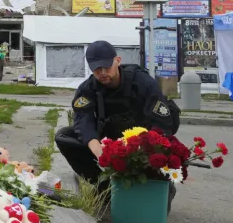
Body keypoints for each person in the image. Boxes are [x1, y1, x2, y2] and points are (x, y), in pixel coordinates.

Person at [54, 41, 181, 206]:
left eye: (107, 67)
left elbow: (161, 123)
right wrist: (98, 150)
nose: (103, 73)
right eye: (97, 69)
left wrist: (145, 151)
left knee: (162, 147)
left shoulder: (143, 83)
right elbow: (83, 120)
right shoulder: (87, 89)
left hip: (143, 143)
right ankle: (103, 184)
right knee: (64, 136)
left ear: (118, 61)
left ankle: (159, 184)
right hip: (109, 142)